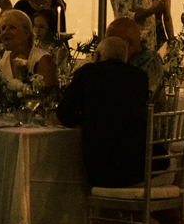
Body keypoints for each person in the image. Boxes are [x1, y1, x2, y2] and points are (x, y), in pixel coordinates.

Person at [60, 20, 155, 188]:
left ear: (97, 56)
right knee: (175, 164)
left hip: (99, 171)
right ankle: (172, 203)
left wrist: (85, 117)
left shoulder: (86, 73)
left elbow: (65, 116)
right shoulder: (139, 77)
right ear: (125, 57)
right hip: (138, 169)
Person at [0, 7, 59, 91]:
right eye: (3, 28)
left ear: (27, 33)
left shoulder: (42, 59)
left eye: (12, 27)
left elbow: (46, 95)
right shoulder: (3, 58)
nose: (5, 32)